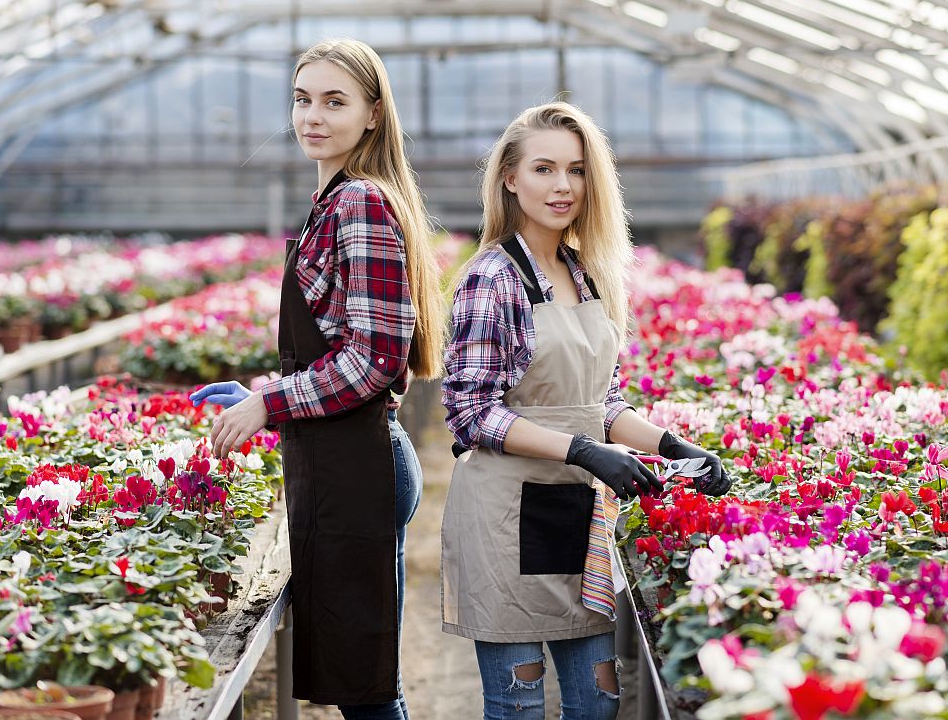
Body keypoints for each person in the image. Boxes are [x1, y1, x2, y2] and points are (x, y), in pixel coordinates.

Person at [440, 102, 732, 720]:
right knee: (518, 704)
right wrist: (579, 449)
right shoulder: (491, 278)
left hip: (576, 509)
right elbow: (470, 413)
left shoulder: (585, 273)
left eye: (575, 170)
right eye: (544, 169)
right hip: (506, 513)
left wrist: (671, 446)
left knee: (598, 700)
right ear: (510, 179)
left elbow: (599, 403)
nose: (562, 186)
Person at [189, 38, 444, 720]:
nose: (313, 116)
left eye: (335, 101)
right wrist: (256, 389)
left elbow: (374, 360)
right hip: (341, 463)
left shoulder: (360, 202)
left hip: (360, 466)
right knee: (359, 678)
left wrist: (269, 401)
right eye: (303, 99)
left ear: (372, 113)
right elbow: (336, 342)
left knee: (366, 686)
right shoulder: (330, 200)